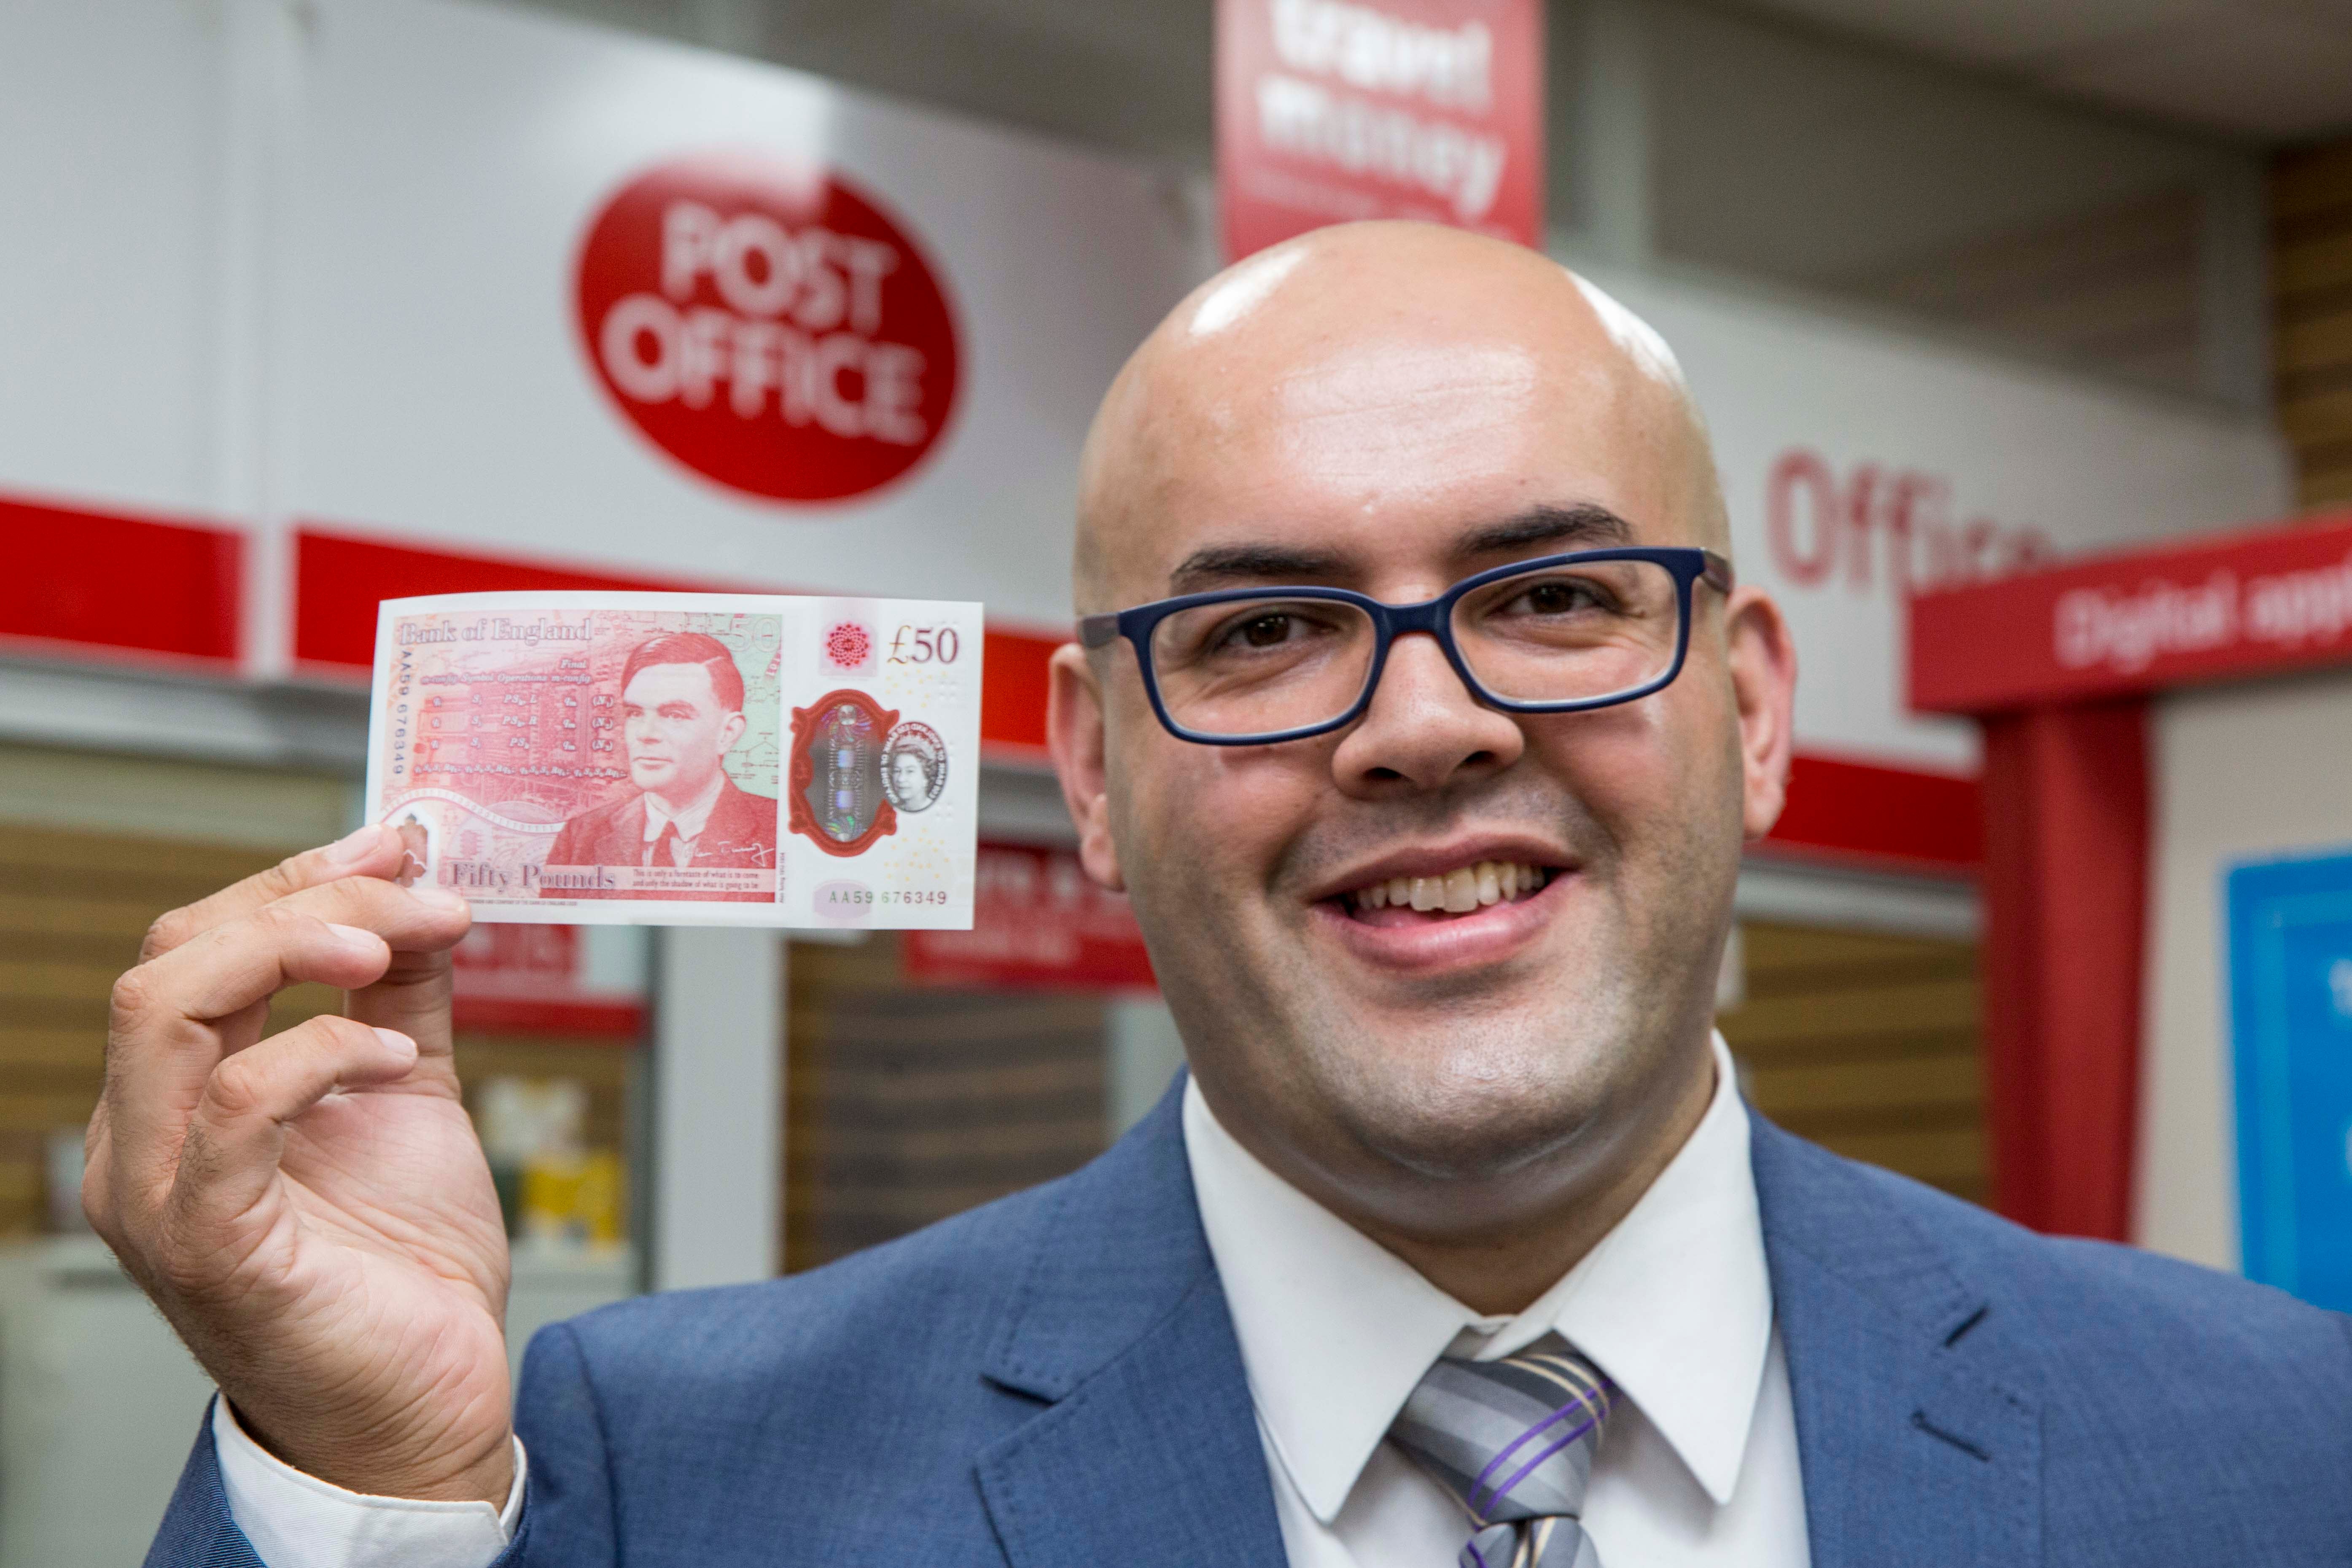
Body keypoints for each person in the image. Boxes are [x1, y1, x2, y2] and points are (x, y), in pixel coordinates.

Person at [103, 223, 2352, 1568]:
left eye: (1554, 594)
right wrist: (371, 1493)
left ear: (1749, 706)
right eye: (1261, 633)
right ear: (1089, 769)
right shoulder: (652, 1482)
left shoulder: (2272, 1444)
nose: (1420, 725)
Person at [542, 630, 777, 896]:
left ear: (728, 734)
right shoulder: (580, 838)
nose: (646, 734)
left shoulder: (779, 832)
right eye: (635, 713)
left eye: (675, 715)